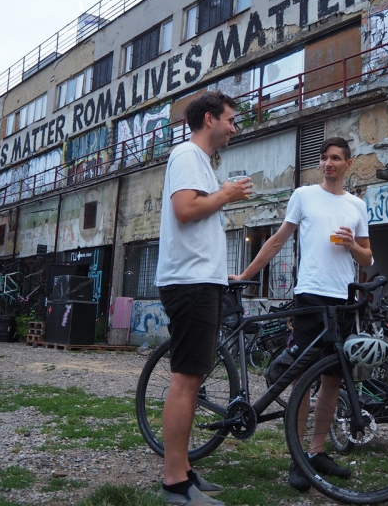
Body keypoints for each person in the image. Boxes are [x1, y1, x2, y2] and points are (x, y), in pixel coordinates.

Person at [229, 136, 372, 492]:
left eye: (336, 158)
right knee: (304, 379)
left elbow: (368, 257)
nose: (328, 163)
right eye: (324, 158)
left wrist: (353, 245)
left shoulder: (357, 205)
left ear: (347, 164)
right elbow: (277, 240)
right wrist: (246, 276)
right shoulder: (304, 195)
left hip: (343, 300)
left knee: (334, 379)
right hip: (310, 296)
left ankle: (316, 452)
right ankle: (297, 458)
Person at [155, 91, 252, 506]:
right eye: (231, 120)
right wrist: (226, 195)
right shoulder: (187, 155)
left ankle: (185, 471)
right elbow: (184, 210)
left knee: (193, 379)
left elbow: (196, 222)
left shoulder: (201, 164)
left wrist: (219, 274)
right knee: (186, 378)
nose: (235, 127)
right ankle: (174, 482)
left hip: (202, 279)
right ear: (209, 119)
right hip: (189, 283)